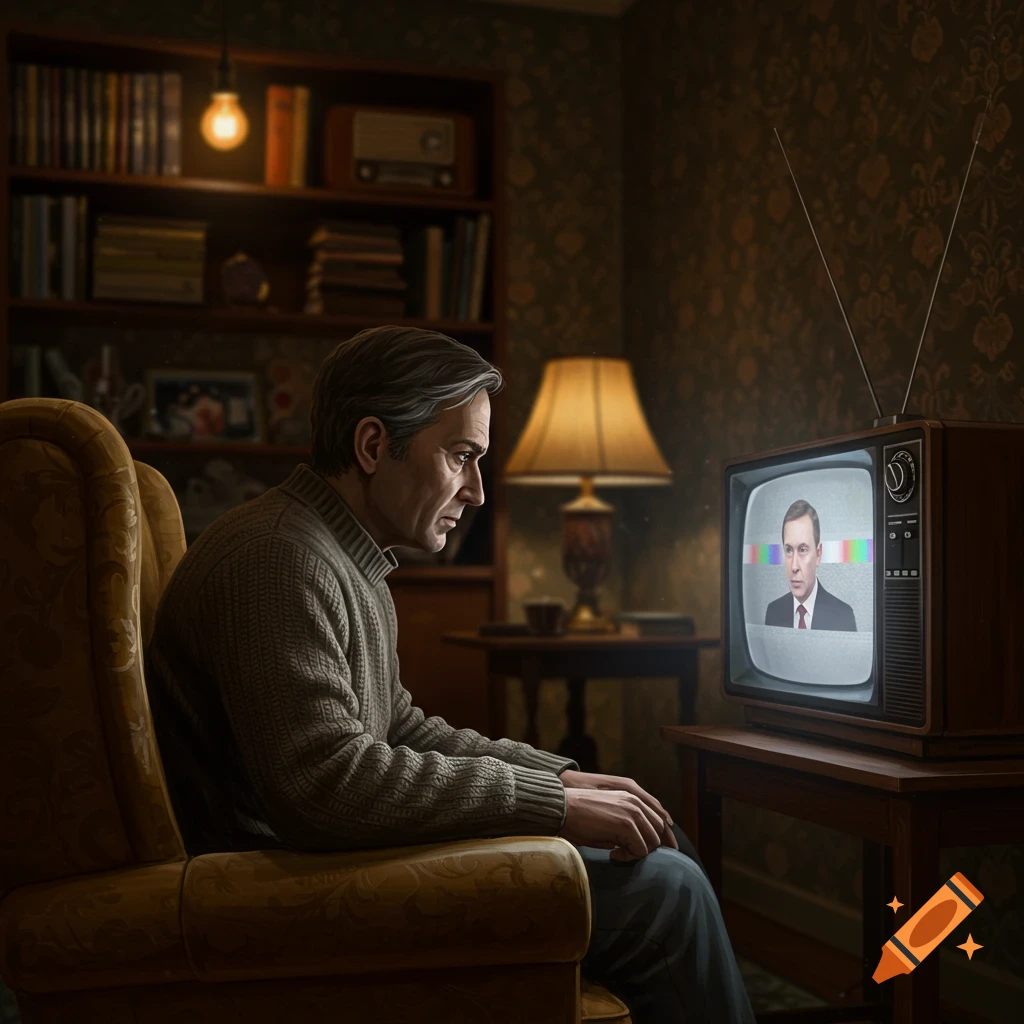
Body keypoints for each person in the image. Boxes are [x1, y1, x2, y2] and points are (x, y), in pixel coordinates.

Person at [146, 326, 756, 1024]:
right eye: (461, 455)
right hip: (280, 884)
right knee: (665, 891)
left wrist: (557, 777)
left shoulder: (339, 556)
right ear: (373, 446)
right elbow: (324, 785)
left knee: (656, 832)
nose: (477, 492)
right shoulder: (278, 559)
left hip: (318, 860)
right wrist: (550, 807)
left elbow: (397, 725)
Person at [764, 499, 857, 631]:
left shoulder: (843, 616)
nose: (794, 567)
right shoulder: (773, 612)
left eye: (802, 550)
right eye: (789, 550)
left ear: (818, 555)